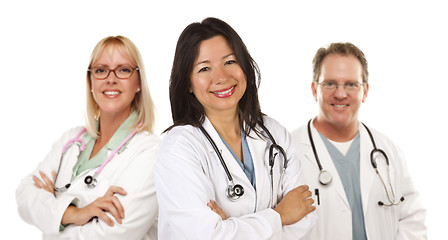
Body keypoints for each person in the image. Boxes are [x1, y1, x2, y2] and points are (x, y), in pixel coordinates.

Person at [154, 17, 316, 240]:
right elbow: (203, 236)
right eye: (204, 68)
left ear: (245, 67)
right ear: (188, 83)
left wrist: (231, 227)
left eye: (230, 62)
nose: (221, 77)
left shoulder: (274, 133)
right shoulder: (180, 147)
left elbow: (305, 218)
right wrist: (280, 216)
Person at [16, 36, 159, 239]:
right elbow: (24, 196)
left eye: (123, 69)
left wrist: (52, 209)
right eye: (101, 70)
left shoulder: (150, 152)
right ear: (90, 81)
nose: (111, 78)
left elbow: (114, 233)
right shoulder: (72, 140)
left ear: (139, 83)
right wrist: (74, 213)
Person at [291, 42, 427, 239]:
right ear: (314, 89)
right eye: (330, 83)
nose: (340, 93)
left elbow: (412, 218)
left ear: (365, 91)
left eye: (351, 84)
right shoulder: (288, 152)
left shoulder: (388, 150)